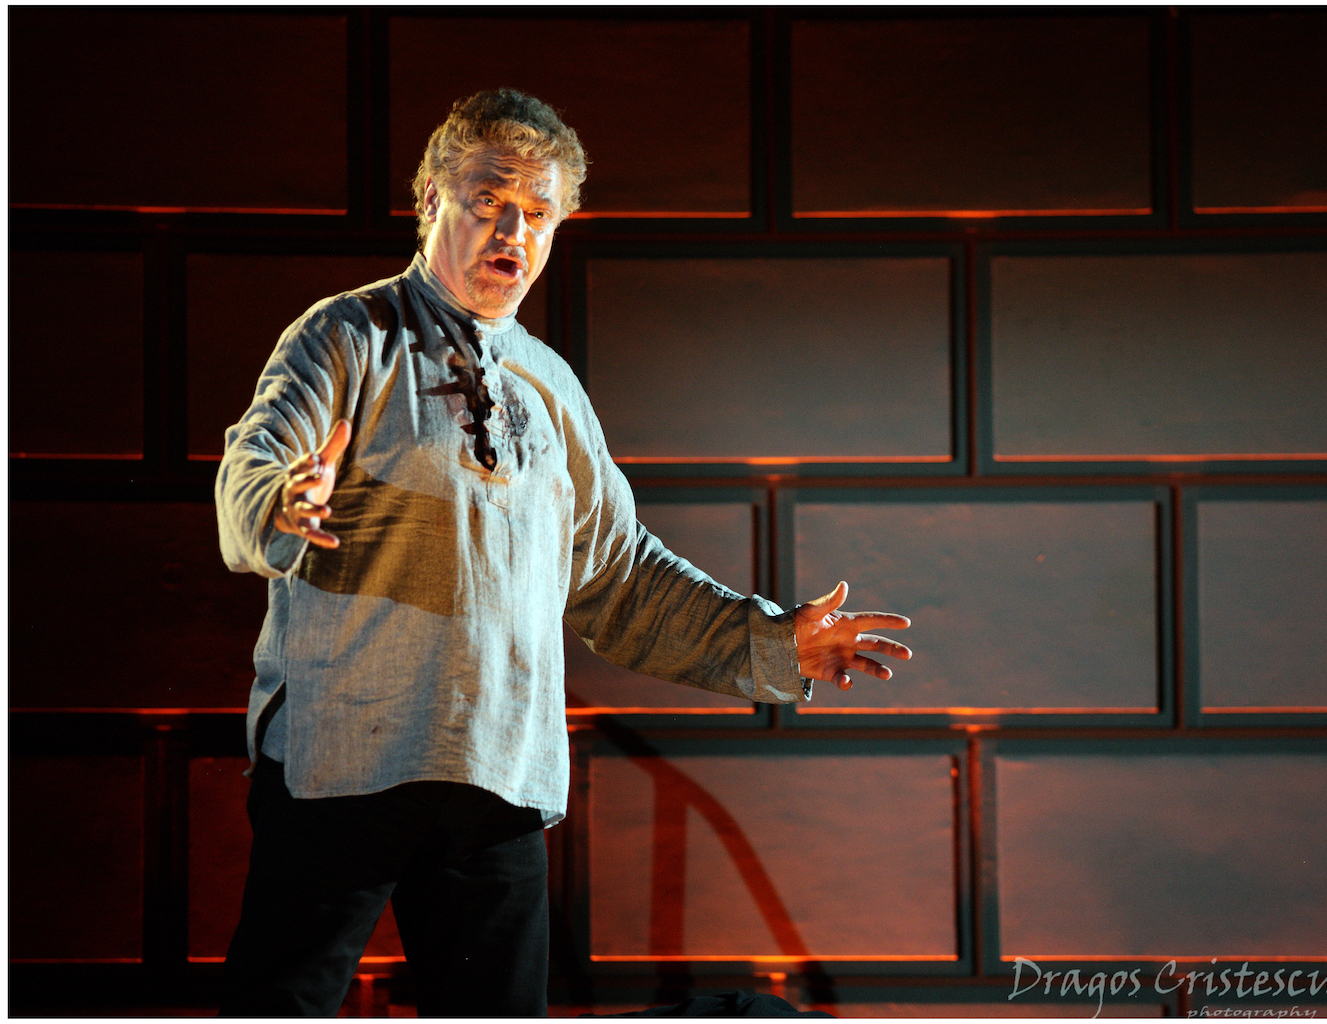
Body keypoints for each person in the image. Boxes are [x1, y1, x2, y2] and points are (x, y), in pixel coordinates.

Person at [214, 87, 912, 1017]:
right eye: (489, 201)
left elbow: (619, 578)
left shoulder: (551, 386)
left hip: (497, 774)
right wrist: (281, 501)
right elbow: (255, 463)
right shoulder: (346, 336)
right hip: (344, 761)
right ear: (431, 200)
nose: (514, 231)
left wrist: (774, 643)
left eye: (538, 213)